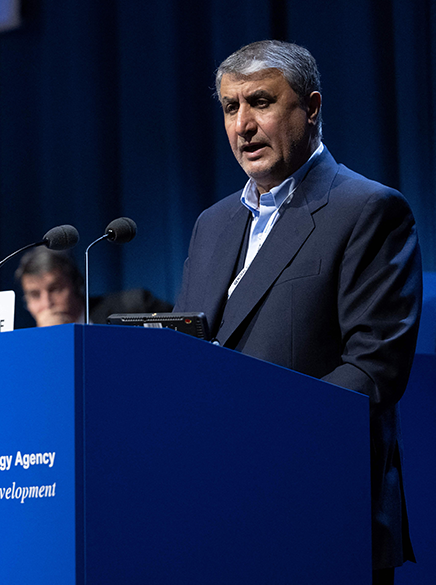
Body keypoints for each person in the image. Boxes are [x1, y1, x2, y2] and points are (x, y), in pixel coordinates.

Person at [174, 40, 422, 583]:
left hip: (318, 507)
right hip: (213, 513)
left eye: (260, 102)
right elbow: (186, 358)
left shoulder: (368, 210)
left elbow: (373, 370)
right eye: (230, 107)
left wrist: (262, 438)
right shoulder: (211, 225)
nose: (242, 125)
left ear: (310, 107)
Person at [15, 246, 171, 327]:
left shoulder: (135, 306)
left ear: (76, 284)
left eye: (55, 289)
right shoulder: (27, 349)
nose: (47, 303)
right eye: (35, 295)